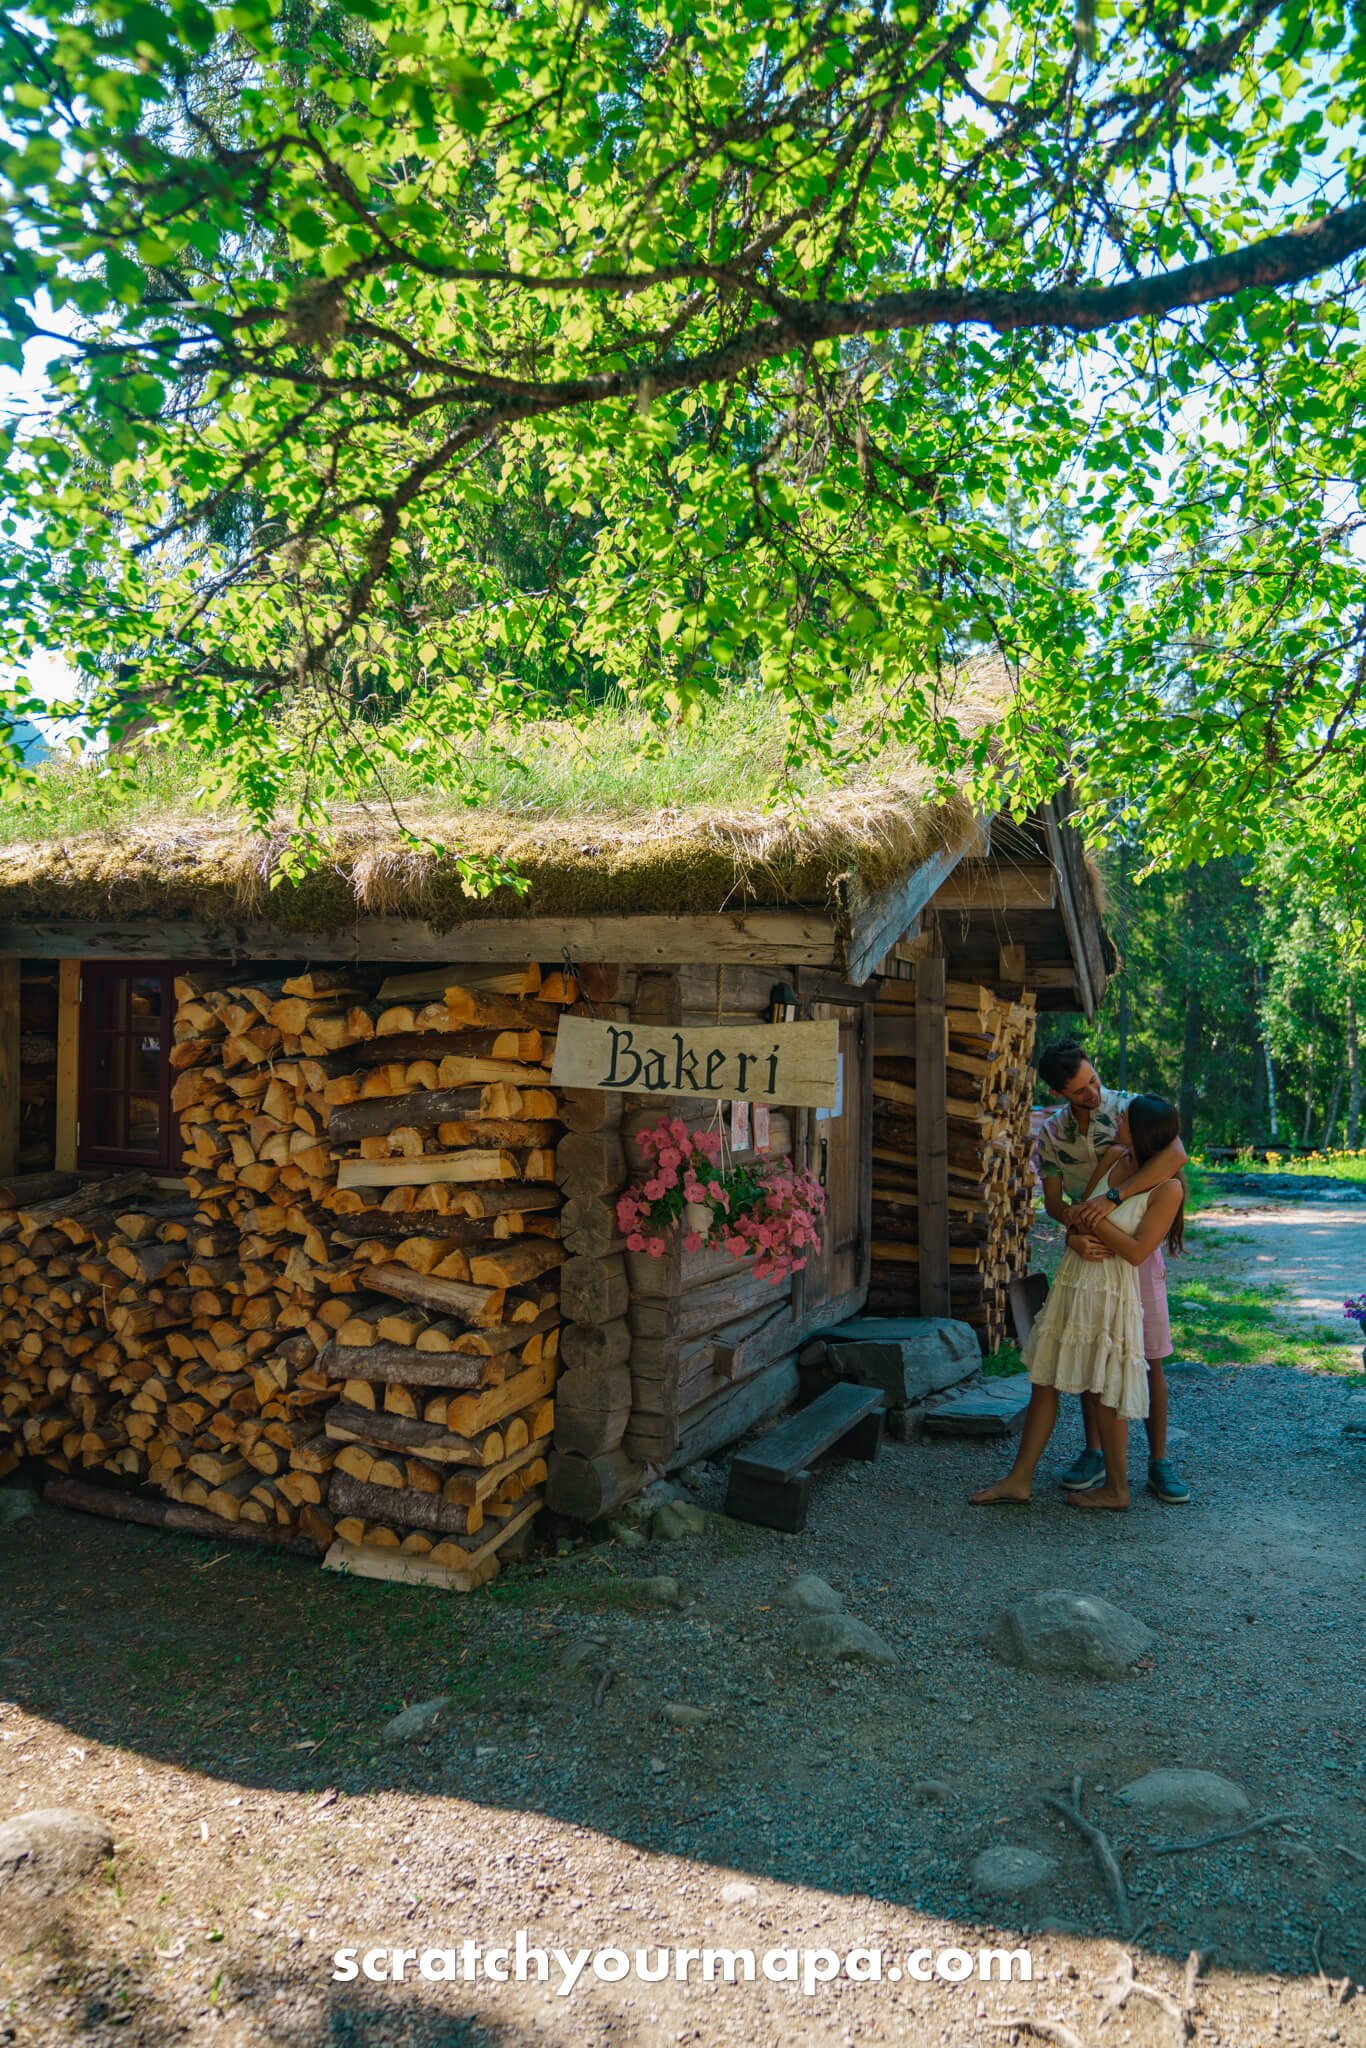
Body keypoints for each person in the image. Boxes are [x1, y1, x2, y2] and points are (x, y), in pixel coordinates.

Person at [972, 1097, 1187, 1511]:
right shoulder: (1113, 1155)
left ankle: (1117, 1489)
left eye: (1126, 1117)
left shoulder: (1169, 1188)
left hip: (1111, 1291)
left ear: (1142, 1129)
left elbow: (1139, 1251)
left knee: (1105, 1386)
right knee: (1044, 1379)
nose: (1118, 1118)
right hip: (1074, 1281)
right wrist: (1075, 1234)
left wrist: (1098, 1218)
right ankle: (1019, 1479)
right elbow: (1075, 1217)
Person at [1034, 1040, 1190, 1505]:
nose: (1094, 1093)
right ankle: (1094, 1451)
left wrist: (1112, 1201)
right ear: (1060, 1091)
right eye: (1082, 1090)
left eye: (1094, 1079)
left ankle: (1159, 1461)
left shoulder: (1127, 1109)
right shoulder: (1052, 1136)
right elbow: (1056, 1204)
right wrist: (1075, 1233)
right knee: (1093, 1355)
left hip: (1131, 1243)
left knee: (1151, 1353)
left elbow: (1174, 1156)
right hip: (1091, 1253)